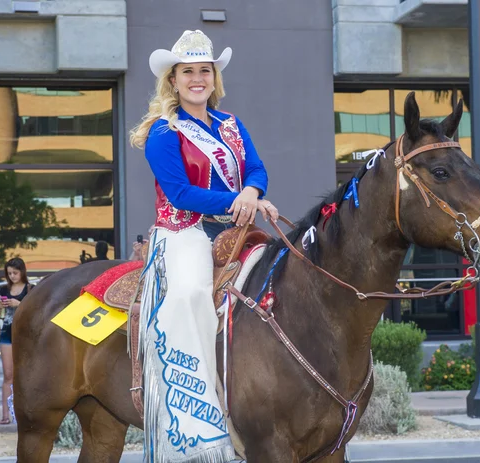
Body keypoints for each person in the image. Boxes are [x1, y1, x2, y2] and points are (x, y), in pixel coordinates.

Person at [130, 29, 278, 463]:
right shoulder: (163, 132)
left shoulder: (231, 124)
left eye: (204, 71)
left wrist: (251, 191)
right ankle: (195, 425)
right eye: (188, 71)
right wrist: (240, 199)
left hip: (236, 228)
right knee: (191, 295)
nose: (197, 78)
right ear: (172, 81)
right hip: (184, 232)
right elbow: (180, 194)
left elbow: (257, 167)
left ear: (214, 77)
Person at [0, 258, 33, 425]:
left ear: (22, 271)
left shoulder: (30, 289)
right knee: (8, 375)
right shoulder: (3, 289)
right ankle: (5, 414)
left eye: (15, 273)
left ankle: (27, 413)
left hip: (25, 336)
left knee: (26, 375)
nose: (12, 276)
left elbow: (34, 313)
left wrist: (19, 303)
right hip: (7, 333)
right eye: (9, 273)